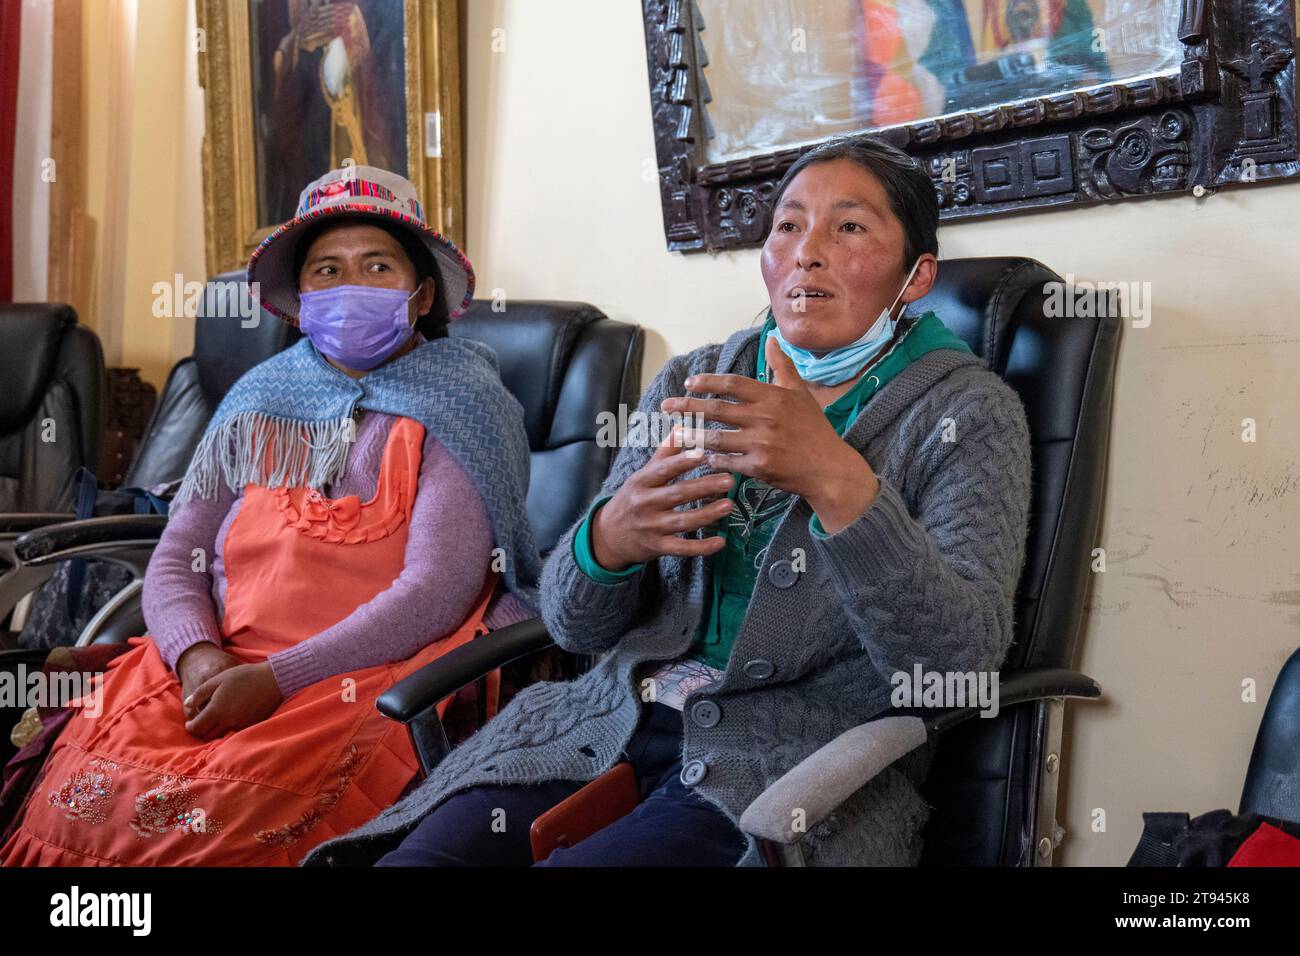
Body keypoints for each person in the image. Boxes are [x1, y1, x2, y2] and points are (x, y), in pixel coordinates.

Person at [304, 135, 1033, 867]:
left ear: (916, 276)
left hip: (782, 769)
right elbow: (572, 623)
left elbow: (955, 666)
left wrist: (837, 482)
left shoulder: (966, 414)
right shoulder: (698, 379)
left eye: (849, 227)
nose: (806, 251)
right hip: (603, 723)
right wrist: (609, 543)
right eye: (787, 225)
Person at [0, 165, 539, 866]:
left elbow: (436, 592)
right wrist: (197, 657)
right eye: (326, 270)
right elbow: (179, 551)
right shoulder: (259, 395)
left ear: (421, 294)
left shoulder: (465, 402)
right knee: (79, 805)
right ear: (300, 298)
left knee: (226, 830)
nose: (350, 286)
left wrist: (276, 680)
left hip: (361, 672)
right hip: (212, 663)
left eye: (377, 266)